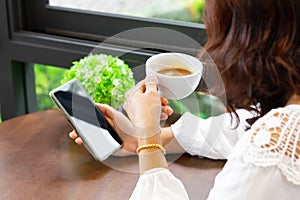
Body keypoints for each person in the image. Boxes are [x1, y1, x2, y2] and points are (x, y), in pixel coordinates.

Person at [69, 0, 300, 199]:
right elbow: (247, 130)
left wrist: (150, 142)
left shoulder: (274, 157)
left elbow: (267, 144)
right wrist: (142, 138)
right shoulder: (285, 120)